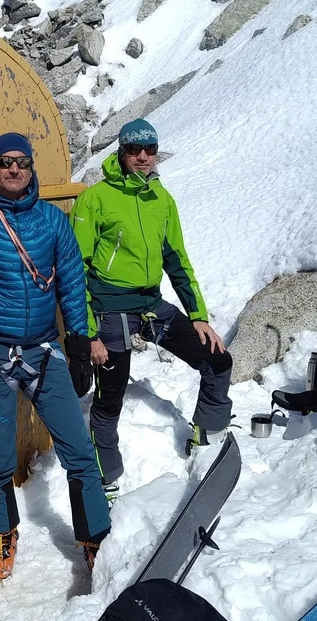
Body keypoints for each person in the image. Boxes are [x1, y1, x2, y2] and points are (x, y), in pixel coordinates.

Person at [0, 133, 110, 580]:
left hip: (44, 352)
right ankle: (2, 532)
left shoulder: (53, 222)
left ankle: (95, 536)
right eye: (4, 162)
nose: (14, 169)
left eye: (22, 162)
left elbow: (73, 284)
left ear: (31, 168)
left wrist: (77, 342)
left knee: (78, 449)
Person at [70, 118, 234, 500]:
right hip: (110, 308)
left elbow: (177, 260)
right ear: (121, 152)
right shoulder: (95, 199)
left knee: (217, 360)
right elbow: (76, 268)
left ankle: (207, 434)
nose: (142, 156)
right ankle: (105, 478)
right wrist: (89, 330)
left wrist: (198, 316)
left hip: (150, 304)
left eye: (150, 149)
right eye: (133, 149)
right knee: (109, 397)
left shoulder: (162, 199)